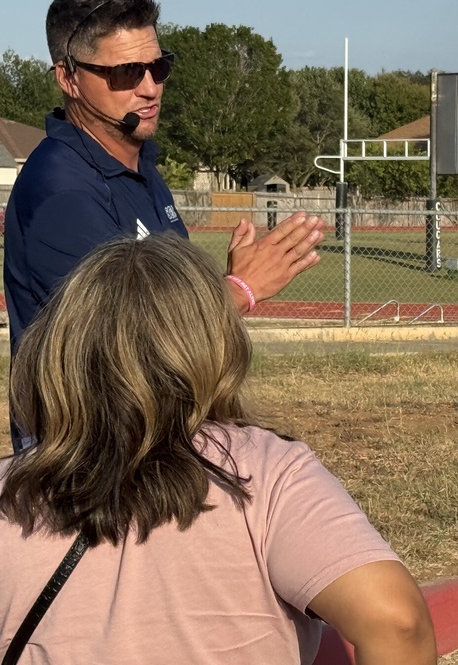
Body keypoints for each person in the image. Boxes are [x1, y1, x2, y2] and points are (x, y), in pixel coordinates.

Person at [0, 234, 436, 664]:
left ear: (58, 349)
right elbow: (397, 623)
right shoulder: (266, 471)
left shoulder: (10, 491)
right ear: (215, 346)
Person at [3, 0, 325, 452]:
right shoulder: (62, 193)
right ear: (68, 77)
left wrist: (213, 285)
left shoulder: (141, 170)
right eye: (126, 73)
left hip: (151, 447)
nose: (150, 88)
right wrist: (237, 291)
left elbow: (161, 305)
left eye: (159, 67)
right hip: (84, 470)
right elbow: (122, 346)